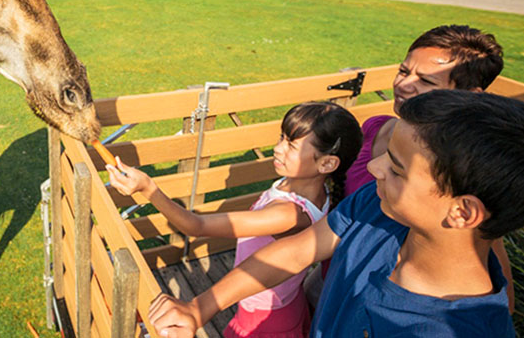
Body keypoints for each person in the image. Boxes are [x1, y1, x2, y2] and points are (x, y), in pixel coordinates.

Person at [148, 90, 521, 338]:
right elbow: (294, 252)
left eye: (396, 168)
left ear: (463, 211)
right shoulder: (374, 208)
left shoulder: (457, 329)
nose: (373, 169)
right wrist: (199, 308)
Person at [107, 102, 362, 338]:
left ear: (327, 163)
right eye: (281, 138)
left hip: (264, 319)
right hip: (283, 304)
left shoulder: (287, 214)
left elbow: (195, 225)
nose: (278, 148)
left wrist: (148, 188)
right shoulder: (313, 189)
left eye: (291, 146)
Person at [334, 24, 514, 313]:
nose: (403, 85)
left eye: (427, 81)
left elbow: (499, 294)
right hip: (335, 282)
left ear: (469, 95)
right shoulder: (375, 128)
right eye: (404, 71)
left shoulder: (460, 181)